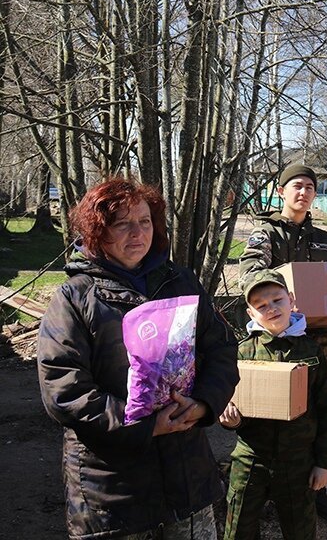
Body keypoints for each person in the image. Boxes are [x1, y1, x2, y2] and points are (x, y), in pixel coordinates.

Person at [37, 178, 239, 539]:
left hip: (187, 478)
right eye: (122, 224)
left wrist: (204, 403)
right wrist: (146, 425)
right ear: (98, 231)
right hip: (112, 490)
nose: (137, 233)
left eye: (144, 221)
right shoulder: (75, 298)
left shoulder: (180, 281)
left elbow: (221, 348)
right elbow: (64, 390)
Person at [239, 163, 327, 524]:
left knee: (320, 410)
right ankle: (266, 485)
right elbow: (251, 277)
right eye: (296, 186)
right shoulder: (266, 235)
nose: (303, 193)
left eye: (310, 188)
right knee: (272, 414)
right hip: (277, 343)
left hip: (319, 343)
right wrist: (286, 295)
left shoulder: (322, 239)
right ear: (282, 191)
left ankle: (318, 488)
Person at [221, 269, 327, 540]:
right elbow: (234, 404)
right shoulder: (242, 352)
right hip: (251, 460)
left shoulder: (311, 351)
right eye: (261, 306)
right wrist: (232, 420)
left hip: (298, 461)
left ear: (292, 300)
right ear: (251, 314)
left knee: (300, 531)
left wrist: (323, 463)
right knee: (238, 529)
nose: (271, 309)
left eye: (277, 300)